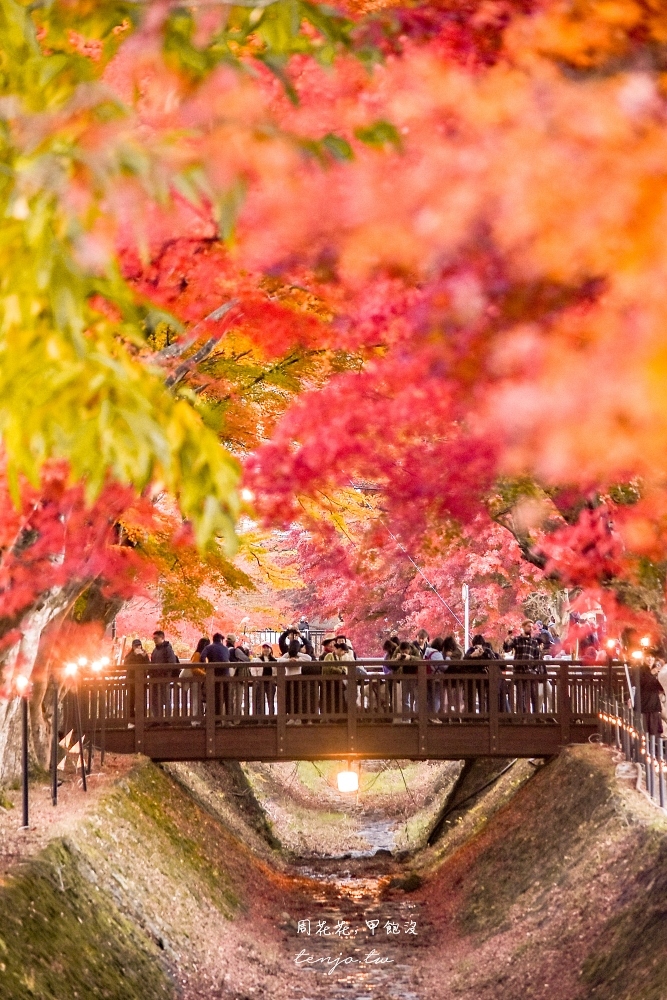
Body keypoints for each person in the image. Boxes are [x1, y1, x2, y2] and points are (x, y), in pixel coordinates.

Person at [124, 639, 149, 720]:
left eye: (139, 645)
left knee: (142, 700)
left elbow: (148, 664)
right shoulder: (130, 655)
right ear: (133, 647)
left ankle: (143, 718)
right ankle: (131, 719)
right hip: (131, 681)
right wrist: (134, 654)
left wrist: (144, 657)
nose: (138, 647)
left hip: (142, 681)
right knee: (131, 701)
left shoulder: (144, 654)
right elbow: (126, 664)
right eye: (136, 646)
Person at [639, 658, 664, 736]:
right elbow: (640, 683)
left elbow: (661, 687)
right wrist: (651, 673)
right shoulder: (640, 670)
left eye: (652, 658)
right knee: (645, 732)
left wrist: (660, 676)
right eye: (648, 657)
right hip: (644, 705)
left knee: (655, 733)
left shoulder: (657, 672)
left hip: (654, 705)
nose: (650, 660)